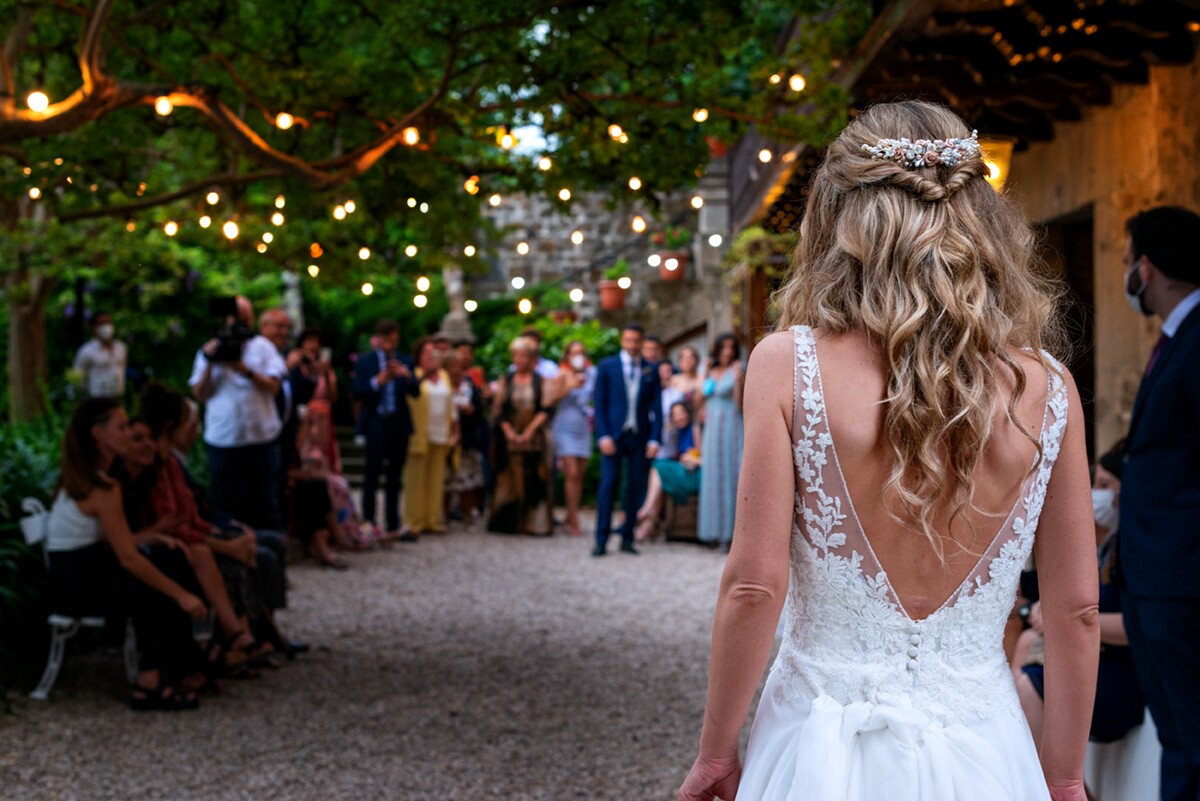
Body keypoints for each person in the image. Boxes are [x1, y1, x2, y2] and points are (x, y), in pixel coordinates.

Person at [678, 100, 1098, 801]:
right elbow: (1075, 607)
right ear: (982, 224)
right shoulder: (1049, 388)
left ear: (840, 221)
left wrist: (716, 750)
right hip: (986, 749)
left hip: (818, 745)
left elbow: (754, 585)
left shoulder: (788, 364)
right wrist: (1061, 774)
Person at [47, 398, 208, 710]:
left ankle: (179, 666)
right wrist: (182, 596)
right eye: (121, 427)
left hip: (73, 577)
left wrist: (150, 536)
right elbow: (127, 557)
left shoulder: (86, 478)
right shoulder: (103, 486)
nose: (128, 432)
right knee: (146, 572)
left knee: (164, 556)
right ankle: (154, 678)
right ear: (99, 435)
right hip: (79, 589)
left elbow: (115, 541)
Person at [1116, 205, 1200, 801]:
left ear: (1147, 267)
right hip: (1151, 576)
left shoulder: (1198, 342)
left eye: (1128, 261)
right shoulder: (1176, 338)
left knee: (1193, 738)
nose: (1127, 274)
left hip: (1182, 578)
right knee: (1177, 735)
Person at [1013, 439, 1145, 758]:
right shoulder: (1104, 546)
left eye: (1104, 485)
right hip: (1098, 660)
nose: (1095, 494)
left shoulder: (1133, 550)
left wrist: (1062, 620)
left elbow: (1135, 625)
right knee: (1024, 650)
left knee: (1030, 685)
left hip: (1128, 673)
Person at [189, 296, 287, 531]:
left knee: (265, 503)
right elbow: (199, 394)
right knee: (225, 503)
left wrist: (245, 370)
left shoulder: (263, 348)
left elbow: (274, 387)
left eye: (245, 318)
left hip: (260, 439)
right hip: (224, 439)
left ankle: (270, 555)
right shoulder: (208, 350)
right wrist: (213, 362)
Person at [592, 323, 662, 556]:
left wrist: (654, 439)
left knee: (634, 486)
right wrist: (602, 435)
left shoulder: (650, 370)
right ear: (623, 341)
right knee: (608, 484)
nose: (632, 345)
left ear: (641, 342)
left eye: (636, 341)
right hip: (612, 435)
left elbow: (657, 408)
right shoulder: (607, 366)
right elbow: (599, 405)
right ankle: (601, 539)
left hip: (639, 435)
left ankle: (627, 537)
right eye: (628, 340)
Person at [352, 319, 420, 539]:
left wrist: (406, 376)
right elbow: (357, 392)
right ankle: (369, 521)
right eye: (386, 338)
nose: (390, 343)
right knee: (372, 473)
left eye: (393, 338)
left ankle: (393, 522)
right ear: (378, 339)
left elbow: (416, 392)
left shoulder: (405, 360)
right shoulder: (366, 362)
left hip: (398, 424)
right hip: (376, 423)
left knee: (395, 475)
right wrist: (377, 381)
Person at [488, 337, 553, 536]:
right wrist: (508, 431)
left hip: (533, 437)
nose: (519, 360)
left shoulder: (540, 381)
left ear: (531, 358)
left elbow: (545, 408)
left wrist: (529, 431)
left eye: (523, 356)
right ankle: (508, 522)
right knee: (509, 479)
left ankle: (534, 523)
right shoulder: (506, 380)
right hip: (509, 437)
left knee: (534, 478)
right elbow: (498, 410)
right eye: (516, 355)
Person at [404, 338, 459, 535]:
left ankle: (433, 519)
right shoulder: (414, 375)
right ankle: (414, 520)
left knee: (436, 479)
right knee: (415, 480)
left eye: (434, 353)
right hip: (420, 432)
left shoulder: (444, 375)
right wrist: (424, 375)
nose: (432, 357)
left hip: (440, 432)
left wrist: (454, 427)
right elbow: (411, 396)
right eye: (427, 353)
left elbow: (450, 402)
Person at [696, 333, 744, 550]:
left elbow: (739, 404)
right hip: (712, 427)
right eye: (723, 347)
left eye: (731, 347)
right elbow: (698, 401)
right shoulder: (707, 368)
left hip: (731, 426)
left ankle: (730, 535)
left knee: (731, 475)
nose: (727, 351)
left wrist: (736, 380)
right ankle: (711, 532)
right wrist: (703, 376)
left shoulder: (739, 368)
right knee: (712, 476)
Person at [635, 400, 701, 542]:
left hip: (694, 474)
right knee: (660, 477)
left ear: (688, 413)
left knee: (658, 467)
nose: (678, 416)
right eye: (674, 414)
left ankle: (646, 510)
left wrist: (690, 457)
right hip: (682, 471)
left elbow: (705, 459)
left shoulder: (695, 429)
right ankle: (648, 523)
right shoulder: (677, 432)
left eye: (681, 412)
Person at [550, 341, 596, 537]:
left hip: (583, 427)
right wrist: (569, 387)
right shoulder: (561, 374)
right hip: (565, 427)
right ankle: (574, 520)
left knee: (580, 475)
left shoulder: (591, 374)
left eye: (581, 353)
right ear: (567, 356)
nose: (578, 356)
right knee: (572, 473)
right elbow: (550, 400)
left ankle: (570, 513)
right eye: (574, 353)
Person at [445, 351, 486, 527]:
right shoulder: (443, 386)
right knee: (446, 481)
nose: (456, 371)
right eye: (452, 367)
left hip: (468, 439)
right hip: (446, 440)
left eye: (459, 367)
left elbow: (479, 411)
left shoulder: (470, 387)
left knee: (468, 482)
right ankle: (443, 516)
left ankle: (468, 515)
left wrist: (470, 410)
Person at [73, 311, 127, 400]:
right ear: (93, 327)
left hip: (117, 398)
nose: (106, 327)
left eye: (108, 322)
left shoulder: (121, 348)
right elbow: (77, 378)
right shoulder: (86, 351)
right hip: (96, 400)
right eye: (101, 323)